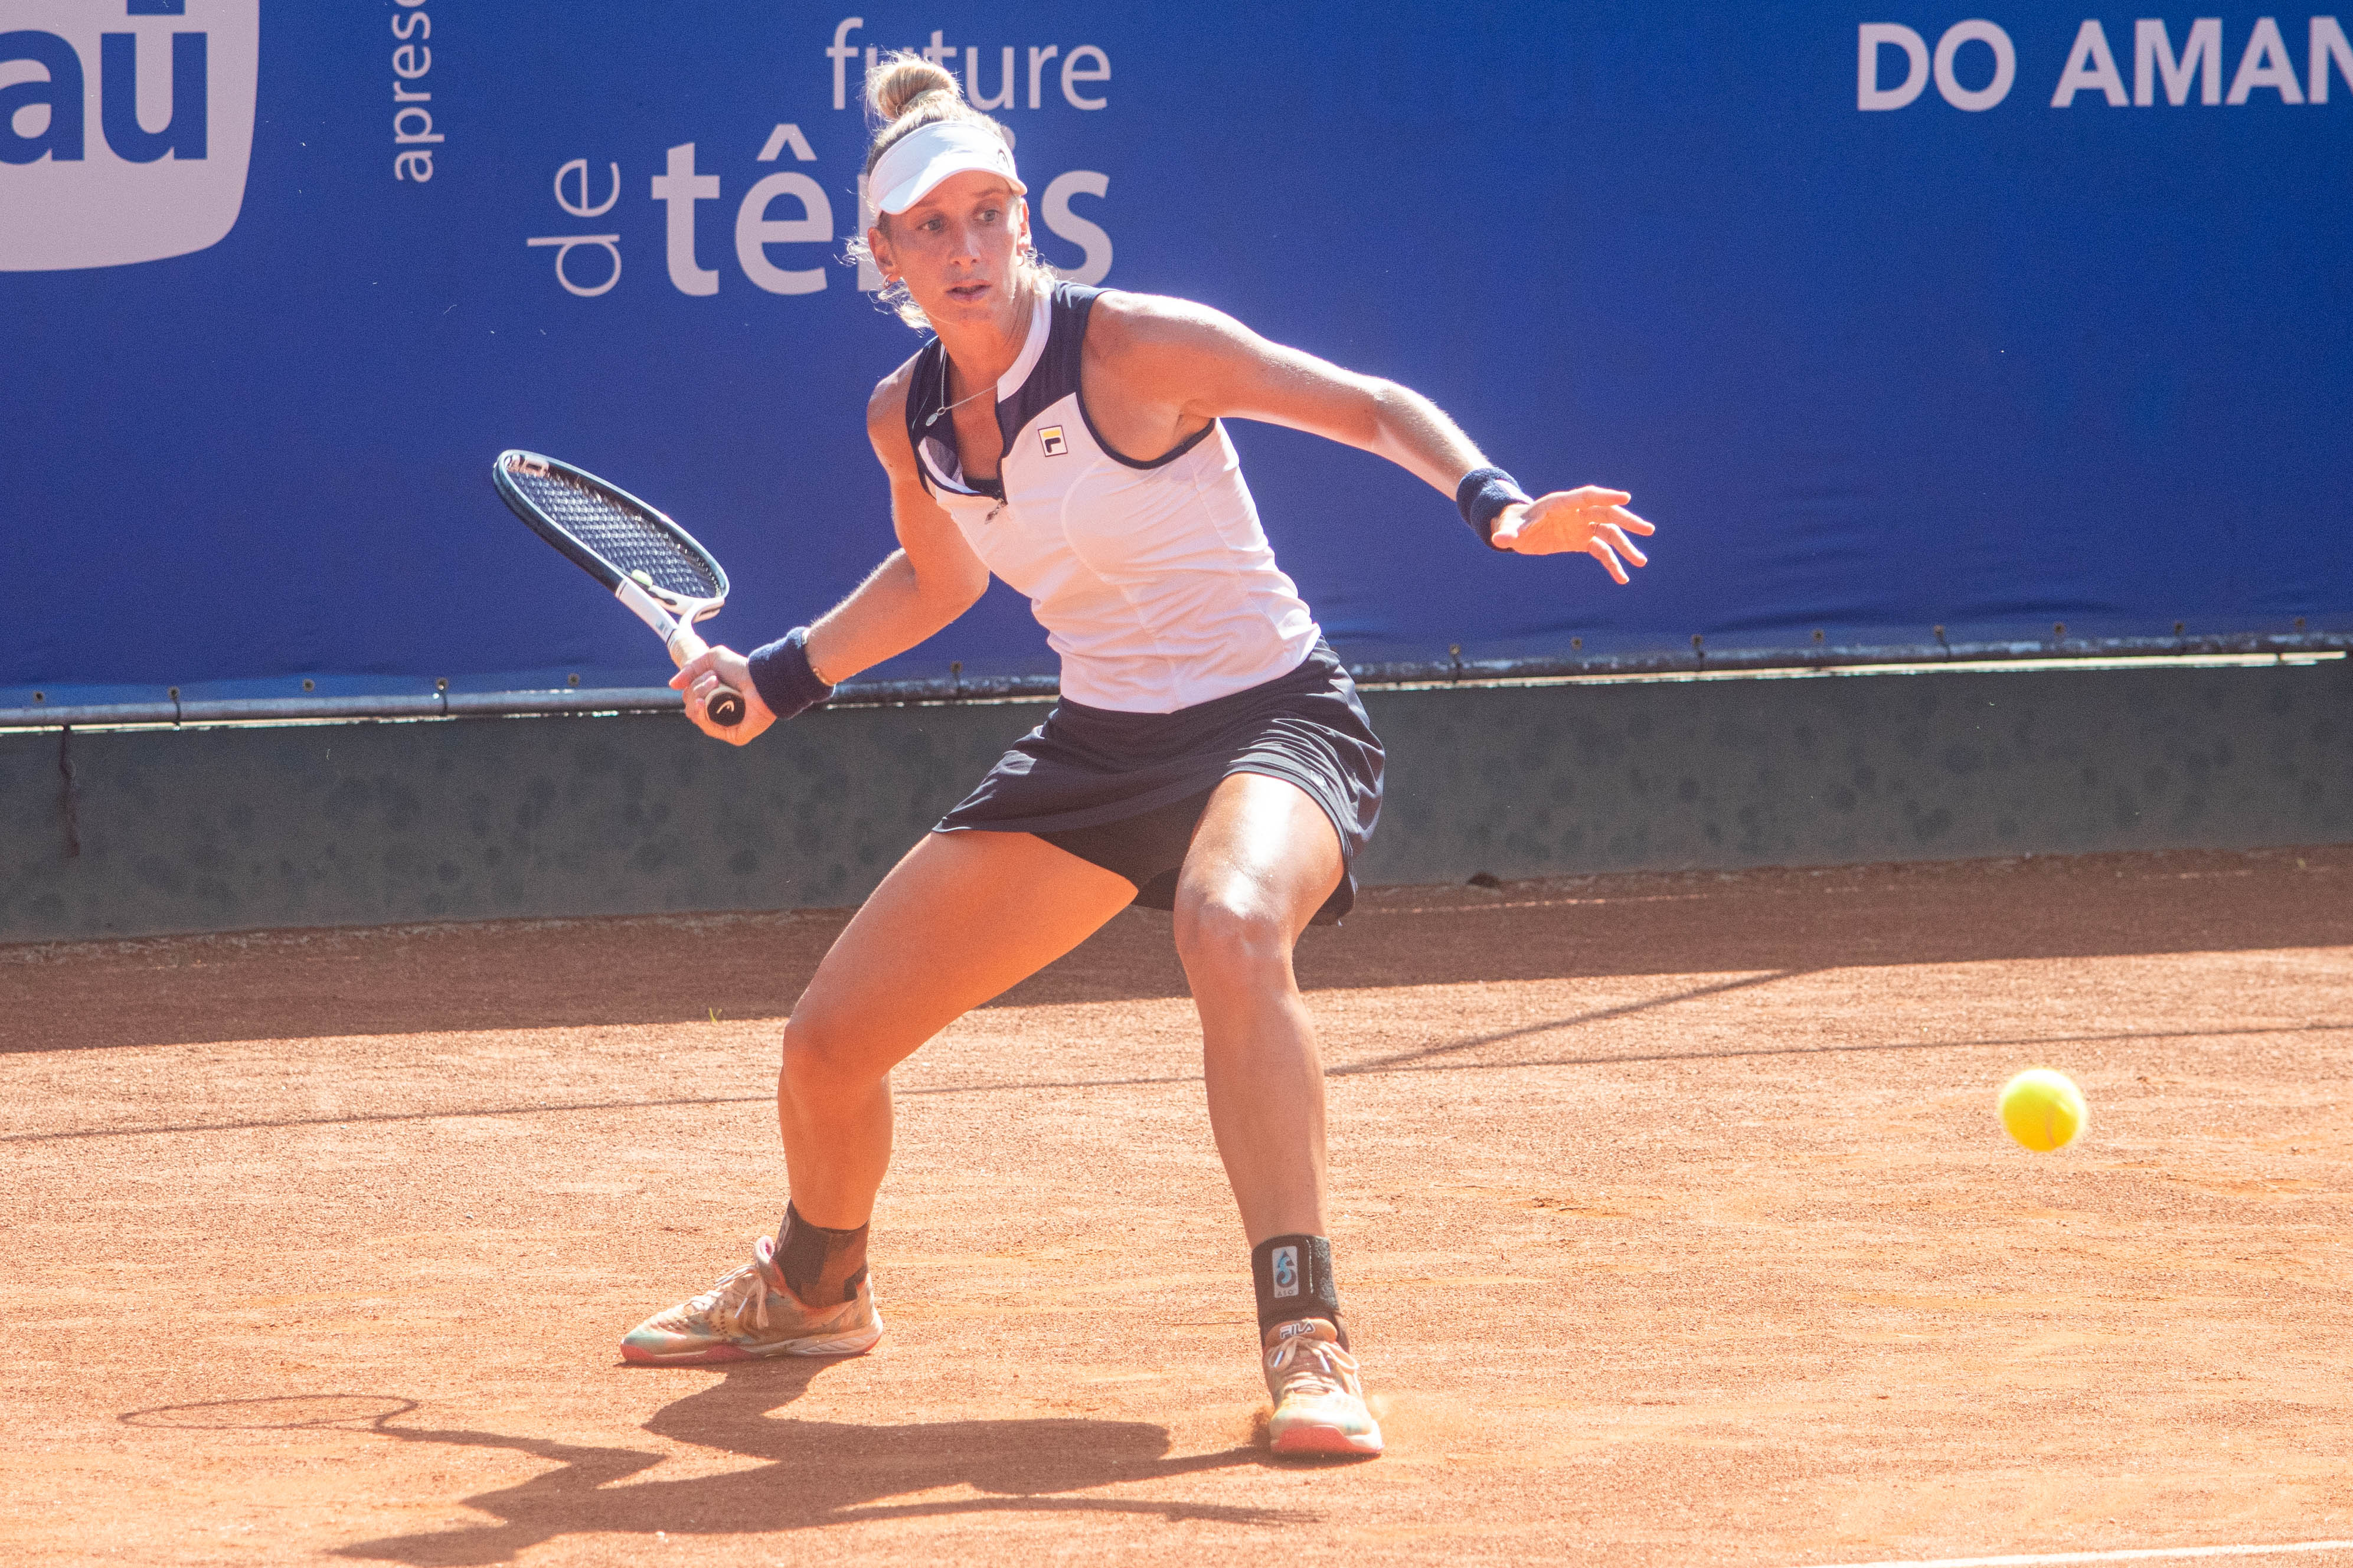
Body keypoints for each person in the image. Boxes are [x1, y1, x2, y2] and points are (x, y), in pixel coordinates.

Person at [619, 54, 1655, 1459]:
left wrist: (1497, 505)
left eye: (988, 214)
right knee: (827, 1045)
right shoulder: (903, 416)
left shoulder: (1135, 346)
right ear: (884, 252)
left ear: (1023, 222)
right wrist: (779, 678)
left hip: (1275, 714)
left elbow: (1361, 402)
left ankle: (1308, 1335)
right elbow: (937, 584)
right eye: (933, 226)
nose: (966, 247)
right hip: (1102, 747)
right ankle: (814, 1287)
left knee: (1225, 920)